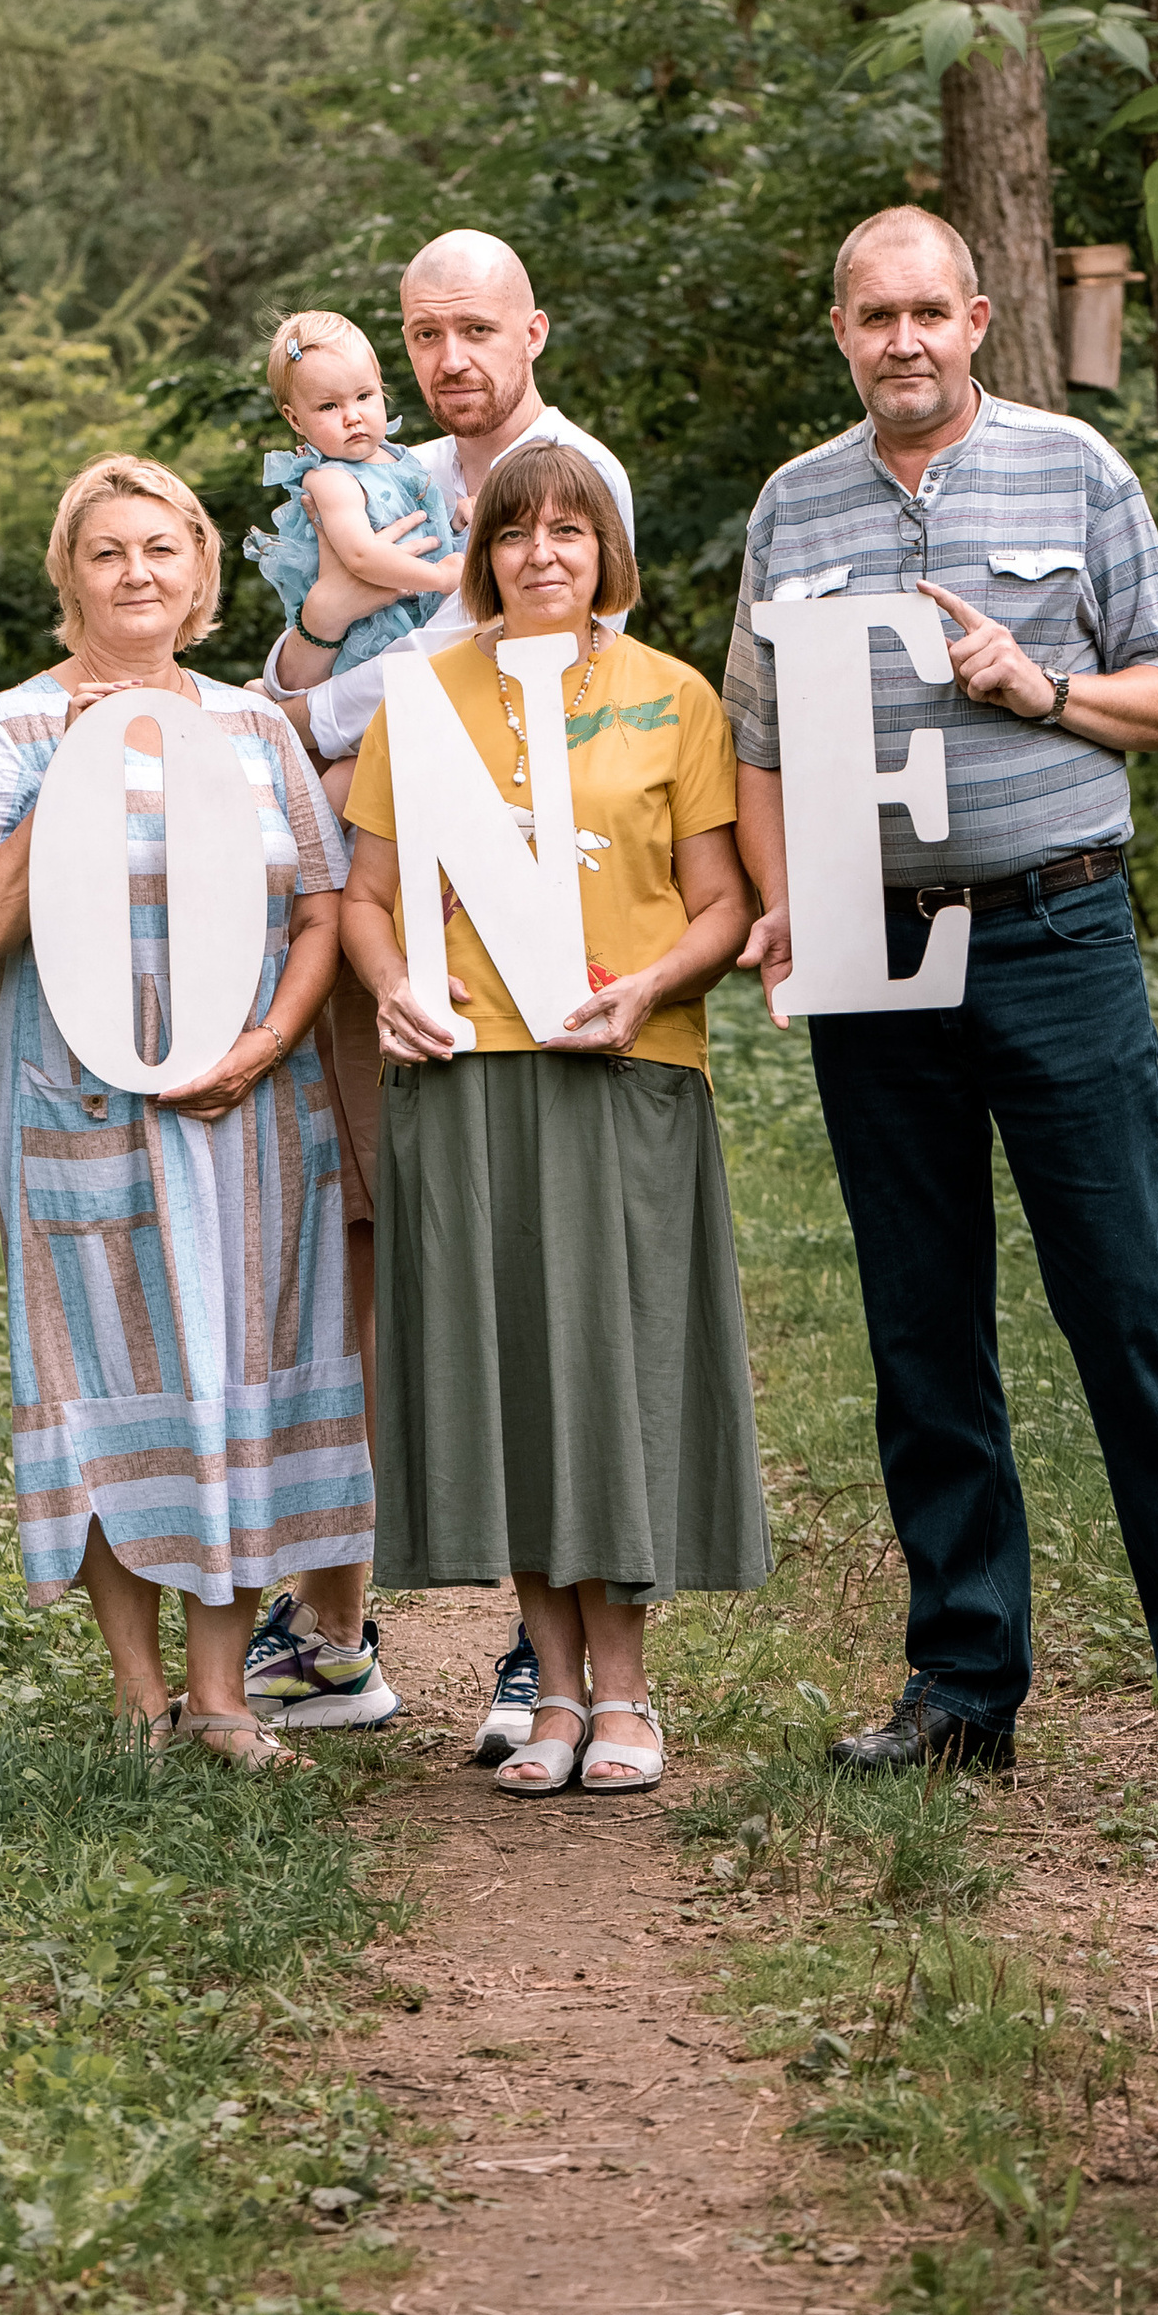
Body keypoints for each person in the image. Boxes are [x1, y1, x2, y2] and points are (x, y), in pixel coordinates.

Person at [728, 209, 1158, 1800]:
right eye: (875, 314)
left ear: (978, 316)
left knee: (1128, 1311)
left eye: (930, 309)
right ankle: (962, 1683)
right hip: (870, 954)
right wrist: (786, 896)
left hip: (1056, 937)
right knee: (924, 1330)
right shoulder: (792, 506)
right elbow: (760, 745)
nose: (904, 338)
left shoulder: (1077, 469)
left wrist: (1043, 689)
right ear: (840, 327)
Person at [253, 229, 636, 1755]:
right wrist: (313, 676)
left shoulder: (560, 482)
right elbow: (297, 662)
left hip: (540, 914)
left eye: (475, 326)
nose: (449, 358)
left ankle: (560, 1651)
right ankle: (337, 1628)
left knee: (542, 1251)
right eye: (423, 334)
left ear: (533, 324)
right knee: (370, 1231)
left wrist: (307, 712)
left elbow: (490, 667)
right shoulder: (382, 472)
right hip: (390, 900)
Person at [0, 454, 377, 1764]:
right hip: (78, 1104)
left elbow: (319, 905)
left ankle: (224, 1694)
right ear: (70, 576)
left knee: (236, 1365)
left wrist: (271, 1038)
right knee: (103, 1377)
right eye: (108, 550)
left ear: (200, 576)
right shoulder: (11, 724)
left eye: (160, 549)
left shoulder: (252, 728)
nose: (136, 571)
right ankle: (139, 1696)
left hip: (245, 1102)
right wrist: (73, 762)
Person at [338, 443, 767, 1799]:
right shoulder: (425, 699)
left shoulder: (671, 697)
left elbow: (724, 905)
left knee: (616, 1369)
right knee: (517, 1372)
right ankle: (555, 1688)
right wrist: (395, 985)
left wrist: (647, 984)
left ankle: (630, 1686)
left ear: (605, 555)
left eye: (570, 533)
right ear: (484, 554)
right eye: (517, 531)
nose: (542, 554)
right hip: (469, 1075)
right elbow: (364, 894)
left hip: (624, 1069)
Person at [243, 310, 461, 707]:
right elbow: (362, 556)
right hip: (376, 633)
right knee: (374, 741)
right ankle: (275, 709)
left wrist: (455, 520)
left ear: (381, 390)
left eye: (364, 396)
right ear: (295, 419)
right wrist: (441, 577)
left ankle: (271, 703)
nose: (352, 416)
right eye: (328, 406)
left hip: (419, 615)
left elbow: (422, 523)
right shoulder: (330, 480)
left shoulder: (399, 459)